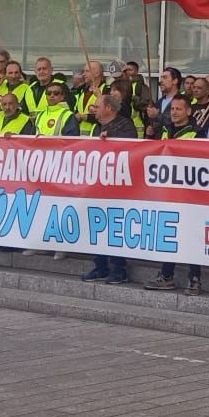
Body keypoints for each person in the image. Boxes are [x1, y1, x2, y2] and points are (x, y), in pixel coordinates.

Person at [147, 97, 206, 294]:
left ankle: (194, 278)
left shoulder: (197, 134)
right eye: (172, 108)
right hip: (166, 191)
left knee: (191, 234)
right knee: (168, 233)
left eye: (179, 109)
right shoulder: (164, 131)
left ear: (189, 112)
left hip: (189, 193)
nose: (174, 112)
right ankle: (166, 275)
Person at [84, 93, 138, 285]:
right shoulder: (97, 127)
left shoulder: (124, 125)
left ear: (108, 108)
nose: (94, 108)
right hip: (99, 184)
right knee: (97, 226)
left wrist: (112, 138)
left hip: (118, 187)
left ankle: (118, 269)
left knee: (114, 228)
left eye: (97, 105)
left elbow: (132, 142)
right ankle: (100, 266)